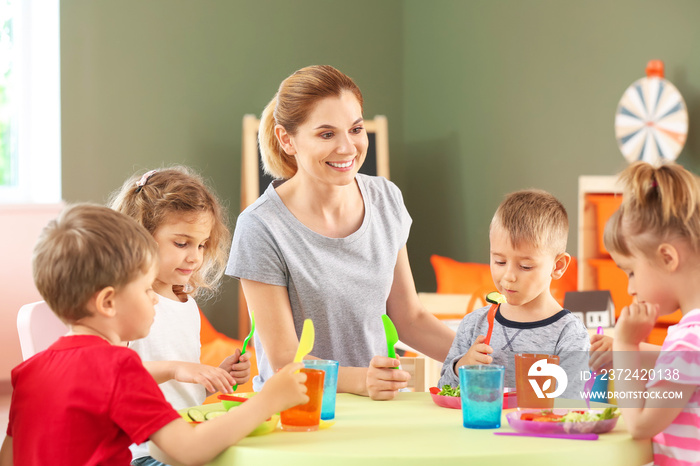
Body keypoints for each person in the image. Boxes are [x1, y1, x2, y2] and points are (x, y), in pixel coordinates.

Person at [0, 204, 307, 466]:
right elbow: (189, 449)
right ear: (108, 302)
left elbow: (9, 457)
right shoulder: (119, 366)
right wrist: (268, 401)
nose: (156, 298)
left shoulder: (29, 372)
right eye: (147, 289)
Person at [226, 64, 455, 400]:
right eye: (327, 134)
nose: (348, 148)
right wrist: (362, 380)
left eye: (356, 129)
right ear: (287, 140)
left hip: (379, 406)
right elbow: (285, 359)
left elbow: (409, 318)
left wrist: (475, 355)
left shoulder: (385, 198)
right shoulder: (260, 226)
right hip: (299, 410)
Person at [109, 166, 252, 466]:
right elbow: (110, 379)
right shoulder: (125, 305)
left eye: (201, 244)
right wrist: (177, 369)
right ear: (140, 236)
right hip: (144, 453)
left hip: (188, 440)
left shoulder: (185, 301)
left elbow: (180, 389)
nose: (195, 256)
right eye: (181, 243)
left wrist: (215, 375)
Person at [437, 189, 590, 396]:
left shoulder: (569, 333)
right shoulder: (474, 325)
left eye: (525, 266)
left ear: (558, 265)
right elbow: (444, 391)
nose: (508, 276)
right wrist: (461, 367)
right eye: (499, 261)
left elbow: (571, 404)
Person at [601, 161, 700, 465]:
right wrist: (631, 352)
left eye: (630, 272)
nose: (630, 289)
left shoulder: (688, 339)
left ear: (667, 258)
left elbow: (640, 425)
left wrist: (626, 346)